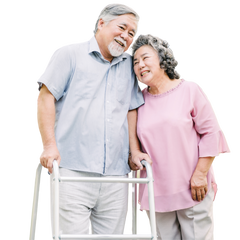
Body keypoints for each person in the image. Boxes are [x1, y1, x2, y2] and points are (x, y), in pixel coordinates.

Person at [34, 2, 152, 236]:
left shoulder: (129, 65)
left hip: (116, 176)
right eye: (122, 27)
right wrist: (48, 145)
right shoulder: (69, 53)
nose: (126, 37)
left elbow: (130, 110)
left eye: (132, 34)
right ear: (101, 23)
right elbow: (45, 98)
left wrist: (134, 151)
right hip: (72, 171)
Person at [129, 31, 233, 240]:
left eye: (146, 58)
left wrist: (200, 175)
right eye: (135, 61)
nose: (140, 65)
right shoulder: (138, 101)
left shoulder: (190, 89)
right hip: (156, 190)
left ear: (162, 59)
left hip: (193, 186)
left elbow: (212, 133)